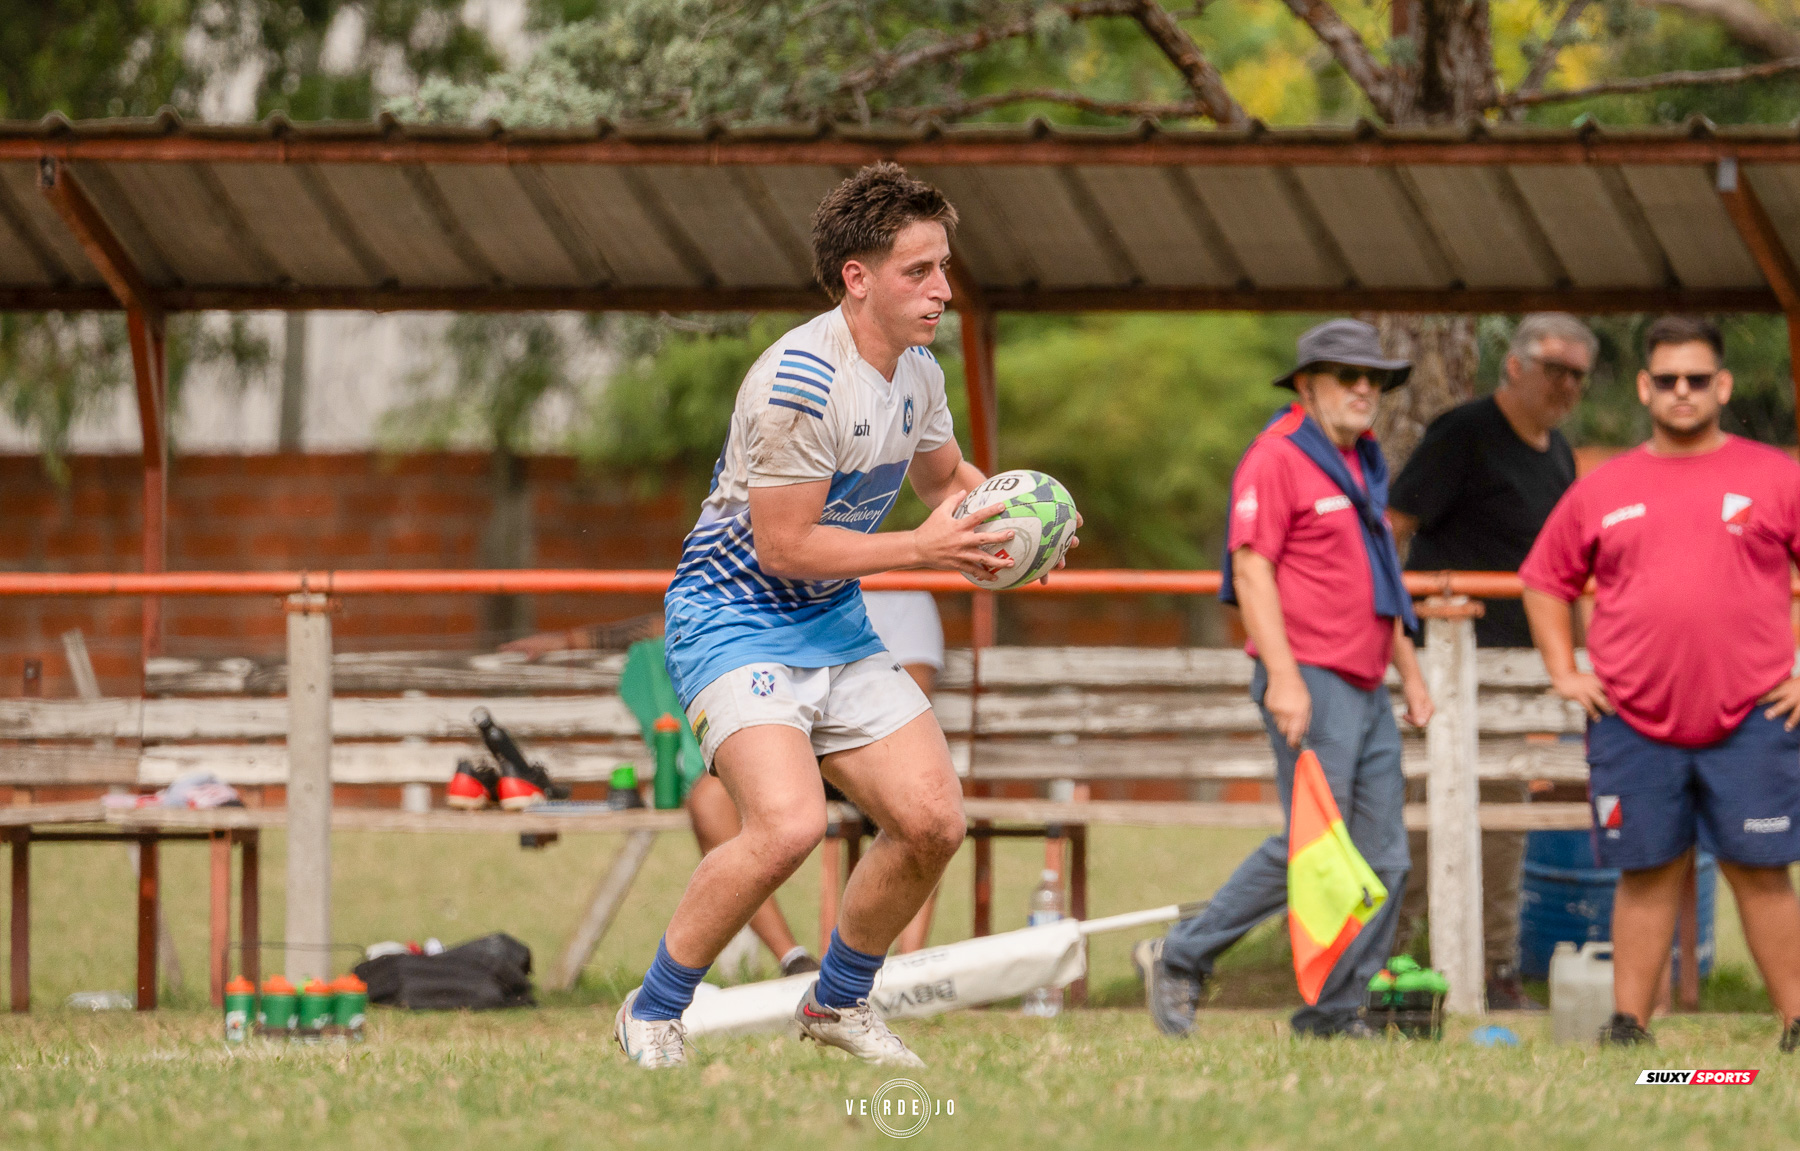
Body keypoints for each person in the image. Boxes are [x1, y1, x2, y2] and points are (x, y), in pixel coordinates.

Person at [616, 162, 1072, 1070]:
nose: (942, 289)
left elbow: (946, 484)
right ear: (857, 278)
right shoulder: (799, 380)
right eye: (919, 272)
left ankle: (837, 1001)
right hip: (732, 616)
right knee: (784, 826)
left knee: (935, 819)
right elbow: (784, 546)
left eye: (944, 267)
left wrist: (1030, 524)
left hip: (832, 622)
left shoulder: (917, 373)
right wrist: (925, 551)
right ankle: (655, 1009)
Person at [1135, 318, 1433, 1039]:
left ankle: (1332, 1013)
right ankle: (1180, 957)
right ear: (1307, 384)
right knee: (1314, 849)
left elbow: (1378, 578)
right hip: (1312, 679)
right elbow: (1251, 568)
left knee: (1385, 859)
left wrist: (1412, 676)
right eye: (1347, 376)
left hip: (1367, 686)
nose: (1365, 389)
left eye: (1375, 378)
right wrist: (1283, 676)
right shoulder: (1275, 457)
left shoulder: (1363, 459)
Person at [1521, 316, 1800, 1049]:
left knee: (1761, 869)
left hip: (1754, 713)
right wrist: (1563, 669)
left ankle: (1798, 1023)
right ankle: (1629, 1028)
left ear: (1722, 385)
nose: (1683, 391)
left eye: (1697, 379)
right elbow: (1545, 579)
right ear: (1646, 387)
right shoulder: (1602, 486)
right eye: (1668, 379)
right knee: (1646, 871)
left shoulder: (1776, 476)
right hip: (1631, 716)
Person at [501, 591, 947, 969]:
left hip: (862, 746)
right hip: (783, 744)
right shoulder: (794, 579)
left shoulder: (906, 592)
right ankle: (793, 961)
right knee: (710, 800)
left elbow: (914, 693)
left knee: (924, 807)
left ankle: (910, 971)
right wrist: (569, 640)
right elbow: (678, 620)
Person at [1387, 313, 1596, 1010]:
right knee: (1420, 820)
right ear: (1516, 365)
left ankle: (1495, 968)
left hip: (1515, 673)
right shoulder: (1464, 434)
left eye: (1577, 373)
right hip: (1438, 666)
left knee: (1505, 824)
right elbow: (1391, 528)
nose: (1565, 384)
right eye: (1553, 368)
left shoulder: (1560, 453)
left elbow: (1566, 565)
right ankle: (1388, 969)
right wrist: (1393, 629)